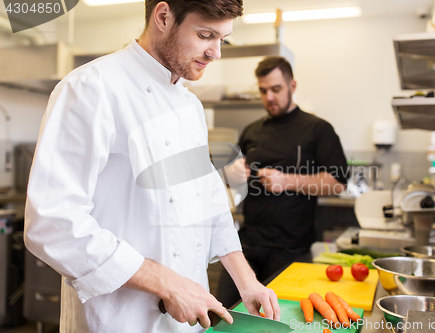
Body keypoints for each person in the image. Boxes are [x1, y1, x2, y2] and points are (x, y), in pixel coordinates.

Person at [24, 1, 280, 332]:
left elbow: (211, 204)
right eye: (205, 35)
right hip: (118, 320)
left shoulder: (190, 105)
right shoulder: (92, 87)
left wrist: (247, 282)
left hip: (188, 319)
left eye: (223, 39)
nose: (216, 52)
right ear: (163, 17)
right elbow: (52, 222)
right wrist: (168, 283)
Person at [217, 56, 348, 308]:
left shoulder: (318, 129)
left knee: (276, 320)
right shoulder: (252, 131)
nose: (269, 97)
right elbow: (233, 184)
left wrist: (287, 181)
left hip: (291, 250)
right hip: (247, 245)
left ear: (292, 86)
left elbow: (338, 183)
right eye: (263, 91)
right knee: (224, 315)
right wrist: (230, 175)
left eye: (276, 89)